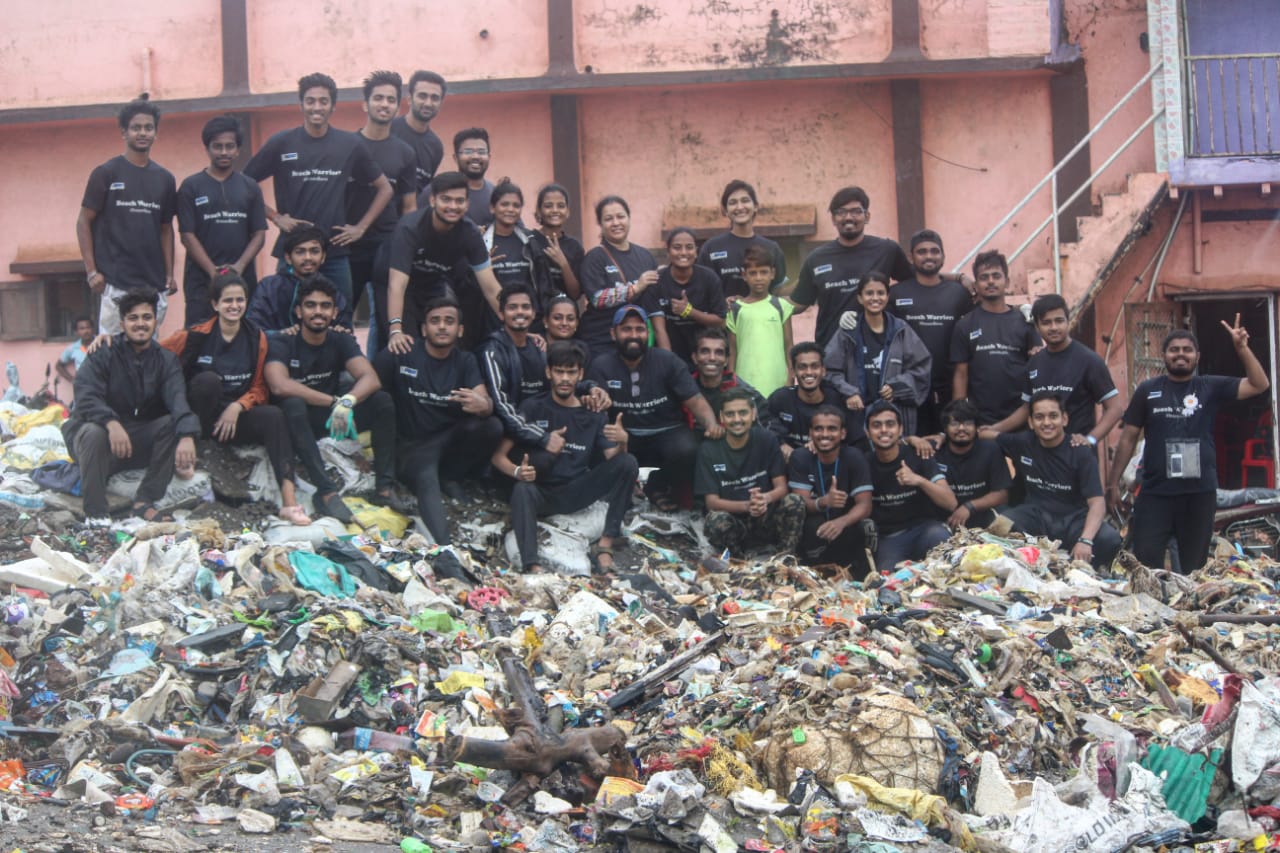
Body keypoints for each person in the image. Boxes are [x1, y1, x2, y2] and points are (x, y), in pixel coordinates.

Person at [1108, 321, 1270, 574]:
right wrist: (1113, 483)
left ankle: (1189, 612)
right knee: (1146, 564)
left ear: (1197, 356)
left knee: (1194, 567)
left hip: (1199, 494)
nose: (1180, 354)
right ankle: (1153, 612)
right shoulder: (1148, 390)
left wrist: (1241, 349)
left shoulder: (1210, 387)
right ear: (1164, 356)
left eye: (1187, 349)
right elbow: (1128, 438)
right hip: (1154, 493)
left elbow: (1259, 384)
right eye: (1174, 349)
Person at [160, 273, 309, 525]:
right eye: (228, 300)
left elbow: (261, 387)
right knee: (207, 381)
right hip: (200, 420)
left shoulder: (256, 338)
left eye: (240, 300)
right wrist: (110, 340)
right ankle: (194, 452)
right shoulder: (195, 336)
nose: (234, 306)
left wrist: (239, 405)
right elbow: (154, 352)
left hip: (234, 419)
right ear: (215, 304)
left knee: (274, 415)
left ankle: (289, 501)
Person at [244, 72, 393, 310]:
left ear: (333, 106)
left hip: (335, 254)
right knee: (286, 321)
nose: (317, 107)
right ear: (301, 104)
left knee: (340, 320)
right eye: (311, 101)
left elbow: (384, 188)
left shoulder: (349, 145)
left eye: (323, 101)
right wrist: (276, 217)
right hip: (292, 253)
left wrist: (361, 228)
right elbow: (244, 185)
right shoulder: (282, 142)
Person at [497, 341, 639, 574]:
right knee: (522, 489)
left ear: (580, 374)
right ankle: (532, 565)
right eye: (559, 371)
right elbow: (498, 456)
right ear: (548, 372)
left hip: (576, 491)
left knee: (628, 462)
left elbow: (613, 459)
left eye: (571, 372)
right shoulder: (533, 407)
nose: (565, 378)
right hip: (541, 493)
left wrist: (623, 440)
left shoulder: (593, 413)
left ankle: (605, 545)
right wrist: (517, 472)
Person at [263, 278, 397, 523]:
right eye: (311, 305)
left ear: (334, 312)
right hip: (297, 422)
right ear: (299, 311)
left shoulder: (340, 340)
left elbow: (371, 378)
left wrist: (348, 401)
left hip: (333, 419)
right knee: (292, 404)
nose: (318, 312)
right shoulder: (283, 341)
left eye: (325, 306)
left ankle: (385, 488)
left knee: (382, 401)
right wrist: (333, 401)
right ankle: (326, 492)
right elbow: (279, 384)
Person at [61, 289, 199, 526]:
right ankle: (96, 513)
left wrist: (187, 434)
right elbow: (85, 396)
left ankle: (144, 500)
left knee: (170, 424)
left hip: (135, 440)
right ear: (122, 322)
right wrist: (111, 422)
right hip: (95, 439)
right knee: (94, 432)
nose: (140, 324)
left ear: (155, 321)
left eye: (147, 317)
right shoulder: (102, 353)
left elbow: (178, 400)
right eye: (133, 318)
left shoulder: (165, 360)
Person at [374, 297, 502, 545]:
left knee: (491, 425)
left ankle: (451, 477)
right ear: (424, 329)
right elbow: (371, 388)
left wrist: (484, 405)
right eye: (435, 321)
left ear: (460, 330)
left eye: (449, 321)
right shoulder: (404, 352)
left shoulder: (465, 361)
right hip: (411, 447)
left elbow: (484, 398)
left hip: (446, 443)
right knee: (425, 478)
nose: (442, 327)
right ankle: (445, 549)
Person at [587, 305, 717, 511]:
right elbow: (595, 401)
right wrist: (598, 398)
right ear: (613, 333)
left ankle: (658, 484)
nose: (633, 335)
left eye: (639, 329)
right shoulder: (600, 365)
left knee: (690, 449)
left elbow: (696, 400)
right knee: (595, 445)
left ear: (648, 333)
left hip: (665, 431)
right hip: (624, 435)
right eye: (626, 329)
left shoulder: (667, 361)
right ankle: (620, 490)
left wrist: (712, 425)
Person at [77, 98, 178, 335]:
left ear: (156, 133)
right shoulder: (106, 173)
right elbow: (83, 221)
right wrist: (92, 271)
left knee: (148, 354)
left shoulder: (165, 179)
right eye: (136, 127)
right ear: (124, 132)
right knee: (111, 354)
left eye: (148, 127)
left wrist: (169, 275)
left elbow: (166, 228)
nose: (142, 133)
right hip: (115, 282)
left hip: (153, 284)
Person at [998, 392, 1122, 568]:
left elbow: (1097, 503)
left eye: (1053, 416)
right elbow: (988, 436)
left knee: (1109, 538)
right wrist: (946, 436)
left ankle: (1090, 572)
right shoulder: (1023, 443)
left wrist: (1085, 540)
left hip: (1073, 522)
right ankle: (1029, 564)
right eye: (1039, 417)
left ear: (1064, 419)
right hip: (1037, 519)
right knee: (1003, 524)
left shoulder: (1081, 452)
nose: (1047, 423)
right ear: (1031, 422)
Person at [982, 294, 1123, 446]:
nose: (1054, 327)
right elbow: (1025, 409)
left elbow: (1114, 409)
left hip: (1076, 456)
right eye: (1046, 323)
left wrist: (1090, 439)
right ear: (1037, 326)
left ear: (1068, 321)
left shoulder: (1089, 361)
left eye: (1059, 321)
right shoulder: (1034, 363)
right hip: (1042, 458)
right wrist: (995, 429)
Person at [384, 172, 500, 352]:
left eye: (459, 201)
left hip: (432, 281)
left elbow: (491, 288)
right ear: (432, 200)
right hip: (394, 283)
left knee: (448, 339)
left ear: (467, 204)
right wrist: (395, 329)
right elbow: (396, 285)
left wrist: (514, 325)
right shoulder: (410, 228)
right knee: (405, 344)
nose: (453, 206)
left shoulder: (470, 233)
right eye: (446, 199)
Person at [480, 284, 609, 446]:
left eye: (525, 307)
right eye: (513, 307)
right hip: (513, 430)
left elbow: (556, 382)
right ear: (501, 314)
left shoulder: (538, 346)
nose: (520, 311)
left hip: (537, 422)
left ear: (533, 313)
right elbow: (501, 404)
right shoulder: (493, 351)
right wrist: (542, 438)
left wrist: (590, 387)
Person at [789, 186, 913, 349]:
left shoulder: (887, 250)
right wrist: (759, 304)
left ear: (867, 216)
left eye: (856, 211)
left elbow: (916, 280)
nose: (848, 217)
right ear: (833, 219)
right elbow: (799, 303)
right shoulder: (816, 258)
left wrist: (956, 278)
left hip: (877, 349)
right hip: (831, 351)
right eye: (841, 212)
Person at [349, 70, 418, 352]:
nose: (384, 104)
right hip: (348, 243)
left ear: (398, 106)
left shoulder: (405, 152)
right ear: (365, 104)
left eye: (391, 99)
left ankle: (383, 381)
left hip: (386, 244)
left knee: (386, 318)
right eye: (378, 98)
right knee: (339, 315)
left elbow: (409, 206)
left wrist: (405, 246)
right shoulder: (347, 145)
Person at [177, 115, 267, 326]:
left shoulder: (250, 186)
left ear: (238, 149)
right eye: (217, 146)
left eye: (230, 146)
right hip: (201, 282)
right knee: (199, 340)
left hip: (242, 279)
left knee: (243, 338)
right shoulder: (191, 186)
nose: (224, 152)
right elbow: (187, 236)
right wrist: (212, 272)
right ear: (207, 149)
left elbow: (260, 234)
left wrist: (239, 266)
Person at [824, 272, 932, 442]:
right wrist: (849, 392)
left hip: (894, 420)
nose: (875, 298)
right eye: (869, 293)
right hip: (856, 419)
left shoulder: (901, 330)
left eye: (880, 293)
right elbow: (829, 371)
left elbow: (922, 369)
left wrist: (898, 386)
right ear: (859, 298)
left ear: (888, 296)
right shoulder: (847, 332)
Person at [695, 389, 804, 555]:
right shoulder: (709, 449)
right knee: (715, 520)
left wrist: (765, 499)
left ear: (753, 414)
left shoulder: (767, 439)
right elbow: (712, 502)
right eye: (730, 414)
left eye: (743, 413)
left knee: (794, 501)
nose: (737, 419)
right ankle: (738, 563)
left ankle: (785, 559)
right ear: (722, 417)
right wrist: (748, 506)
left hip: (766, 517)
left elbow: (781, 487)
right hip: (735, 522)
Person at [887, 230, 974, 434]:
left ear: (943, 257)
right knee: (913, 447)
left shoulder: (959, 293)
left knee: (948, 448)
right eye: (922, 251)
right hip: (908, 388)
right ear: (911, 257)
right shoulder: (896, 293)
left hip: (949, 388)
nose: (929, 256)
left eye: (935, 251)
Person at [950, 250, 1041, 425]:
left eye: (996, 276)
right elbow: (961, 375)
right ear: (976, 285)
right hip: (980, 421)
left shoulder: (1025, 321)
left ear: (1006, 282)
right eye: (984, 277)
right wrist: (959, 417)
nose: (990, 281)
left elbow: (1036, 368)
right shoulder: (965, 325)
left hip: (1021, 418)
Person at [863, 400, 955, 571]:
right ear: (867, 432)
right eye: (877, 425)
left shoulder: (919, 454)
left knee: (944, 550)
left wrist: (918, 480)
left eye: (890, 424)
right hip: (890, 538)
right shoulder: (864, 463)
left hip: (925, 529)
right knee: (887, 582)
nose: (884, 430)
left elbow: (950, 502)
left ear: (900, 429)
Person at [788, 406, 873, 571]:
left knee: (868, 526)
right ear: (811, 433)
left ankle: (865, 577)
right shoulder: (800, 457)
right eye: (819, 429)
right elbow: (800, 503)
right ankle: (810, 573)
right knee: (811, 524)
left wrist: (841, 522)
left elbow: (865, 505)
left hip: (845, 526)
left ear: (843, 433)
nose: (825, 434)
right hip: (815, 530)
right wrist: (824, 502)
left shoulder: (854, 457)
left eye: (832, 429)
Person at [578, 196, 659, 356]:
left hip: (634, 341)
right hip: (600, 342)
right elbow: (597, 299)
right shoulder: (595, 257)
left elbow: (654, 302)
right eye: (608, 219)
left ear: (629, 218)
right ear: (600, 225)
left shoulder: (645, 256)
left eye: (621, 216)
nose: (616, 223)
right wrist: (635, 288)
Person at [246, 227, 353, 332]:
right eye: (300, 252)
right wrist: (280, 336)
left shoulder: (331, 290)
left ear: (323, 257)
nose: (308, 257)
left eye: (314, 251)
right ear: (288, 258)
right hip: (276, 347)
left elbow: (345, 329)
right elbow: (253, 328)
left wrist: (338, 333)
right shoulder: (269, 287)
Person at [646, 228, 726, 366]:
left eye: (689, 247)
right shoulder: (657, 282)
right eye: (677, 248)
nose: (683, 252)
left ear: (696, 251)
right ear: (668, 251)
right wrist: (670, 364)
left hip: (705, 357)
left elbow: (721, 321)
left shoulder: (709, 279)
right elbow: (659, 330)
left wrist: (689, 311)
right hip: (670, 354)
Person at [697, 179, 788, 298]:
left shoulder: (772, 248)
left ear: (755, 206)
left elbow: (778, 292)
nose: (739, 207)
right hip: (723, 316)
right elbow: (702, 290)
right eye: (733, 202)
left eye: (745, 201)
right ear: (725, 210)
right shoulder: (711, 248)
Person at [726, 245, 794, 397]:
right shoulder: (736, 309)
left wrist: (790, 376)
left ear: (772, 274)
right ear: (744, 275)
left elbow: (789, 345)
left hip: (777, 382)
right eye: (753, 273)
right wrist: (730, 381)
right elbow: (732, 351)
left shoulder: (781, 306)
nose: (758, 278)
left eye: (763, 272)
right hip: (745, 383)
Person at [933, 399, 1010, 530]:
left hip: (981, 512)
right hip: (945, 518)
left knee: (1008, 521)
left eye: (968, 423)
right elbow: (900, 444)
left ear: (977, 427)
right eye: (955, 423)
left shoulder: (991, 449)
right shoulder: (934, 450)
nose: (961, 428)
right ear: (945, 428)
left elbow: (1002, 494)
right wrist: (911, 439)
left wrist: (969, 506)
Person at [483, 182, 555, 320]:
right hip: (493, 322)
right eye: (504, 204)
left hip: (529, 320)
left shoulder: (530, 241)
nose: (510, 209)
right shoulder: (481, 242)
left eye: (516, 205)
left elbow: (543, 283)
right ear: (492, 208)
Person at [767, 342, 852, 459]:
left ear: (823, 370)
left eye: (814, 366)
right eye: (802, 367)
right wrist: (781, 444)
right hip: (788, 464)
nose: (809, 372)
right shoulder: (780, 398)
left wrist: (825, 441)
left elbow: (853, 440)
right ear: (793, 372)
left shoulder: (837, 400)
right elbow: (764, 427)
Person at [687, 327, 769, 427]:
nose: (712, 358)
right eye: (705, 351)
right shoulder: (683, 388)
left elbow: (767, 425)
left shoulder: (742, 389)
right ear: (695, 357)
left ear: (726, 360)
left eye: (719, 353)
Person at [390, 70, 447, 192]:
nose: (428, 103)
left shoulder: (436, 147)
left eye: (435, 98)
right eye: (422, 96)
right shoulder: (388, 130)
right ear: (409, 99)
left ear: (441, 104)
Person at [529, 183, 584, 303]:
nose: (555, 210)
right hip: (535, 315)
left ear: (568, 211)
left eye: (561, 206)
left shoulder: (574, 247)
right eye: (548, 206)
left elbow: (575, 294)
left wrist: (563, 263)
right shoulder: (529, 240)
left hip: (563, 316)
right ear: (539, 210)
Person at [449, 128, 494, 226]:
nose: (475, 157)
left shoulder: (496, 194)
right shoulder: (438, 191)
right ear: (455, 158)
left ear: (489, 157)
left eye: (481, 152)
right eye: (468, 152)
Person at [56, 317, 96, 388]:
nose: (86, 331)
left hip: (102, 385)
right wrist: (72, 380)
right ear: (77, 331)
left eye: (88, 327)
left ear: (92, 329)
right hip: (82, 386)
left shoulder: (102, 344)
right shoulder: (73, 348)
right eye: (82, 329)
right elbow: (59, 365)